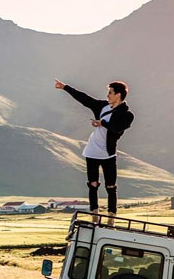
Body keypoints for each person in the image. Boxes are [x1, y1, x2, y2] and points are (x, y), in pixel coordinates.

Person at [54, 79, 134, 216]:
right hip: (92, 152)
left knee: (111, 187)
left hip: (108, 154)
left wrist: (102, 123)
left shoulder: (127, 115)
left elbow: (117, 129)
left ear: (118, 95)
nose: (107, 95)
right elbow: (85, 99)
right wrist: (65, 87)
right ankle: (94, 215)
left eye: (110, 93)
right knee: (93, 184)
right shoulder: (102, 106)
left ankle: (111, 217)